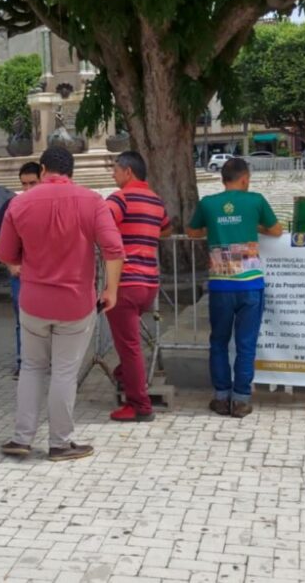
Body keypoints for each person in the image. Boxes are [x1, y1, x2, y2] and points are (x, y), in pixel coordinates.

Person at [0, 146, 124, 462]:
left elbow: (6, 254)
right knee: (64, 373)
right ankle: (60, 443)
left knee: (31, 367)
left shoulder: (19, 203)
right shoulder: (92, 200)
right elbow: (114, 249)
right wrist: (111, 289)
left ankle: (22, 437)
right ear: (71, 171)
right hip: (75, 303)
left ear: (42, 170)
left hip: (33, 301)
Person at [186, 157, 283, 418]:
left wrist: (216, 227)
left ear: (222, 179)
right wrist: (253, 225)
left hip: (220, 286)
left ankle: (220, 397)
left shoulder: (208, 204)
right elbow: (276, 230)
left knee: (218, 341)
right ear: (245, 179)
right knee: (246, 343)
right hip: (251, 285)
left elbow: (192, 232)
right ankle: (241, 400)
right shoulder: (256, 201)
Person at [104, 151, 172, 422]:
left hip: (125, 283)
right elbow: (165, 229)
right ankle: (126, 375)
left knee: (128, 346)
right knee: (130, 345)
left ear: (128, 172)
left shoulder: (119, 199)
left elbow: (102, 223)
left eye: (115, 170)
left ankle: (140, 406)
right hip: (149, 284)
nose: (113, 174)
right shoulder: (156, 201)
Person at [0, 162, 42, 378]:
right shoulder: (13, 204)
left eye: (33, 183)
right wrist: (10, 263)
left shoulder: (52, 203)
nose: (28, 189)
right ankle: (24, 362)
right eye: (24, 184)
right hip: (21, 274)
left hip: (49, 273)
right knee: (22, 320)